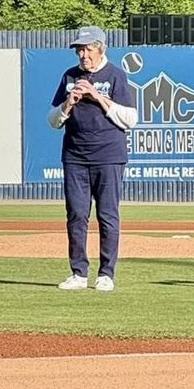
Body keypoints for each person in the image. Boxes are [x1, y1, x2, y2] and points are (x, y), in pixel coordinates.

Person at [47, 26, 138, 292]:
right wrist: (69, 102)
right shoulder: (69, 76)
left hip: (109, 155)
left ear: (101, 49)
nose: (83, 55)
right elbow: (52, 121)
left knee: (108, 215)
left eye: (88, 49)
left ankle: (106, 274)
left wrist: (98, 97)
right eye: (79, 50)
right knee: (76, 215)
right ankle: (78, 273)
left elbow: (130, 119)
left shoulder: (115, 76)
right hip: (75, 155)